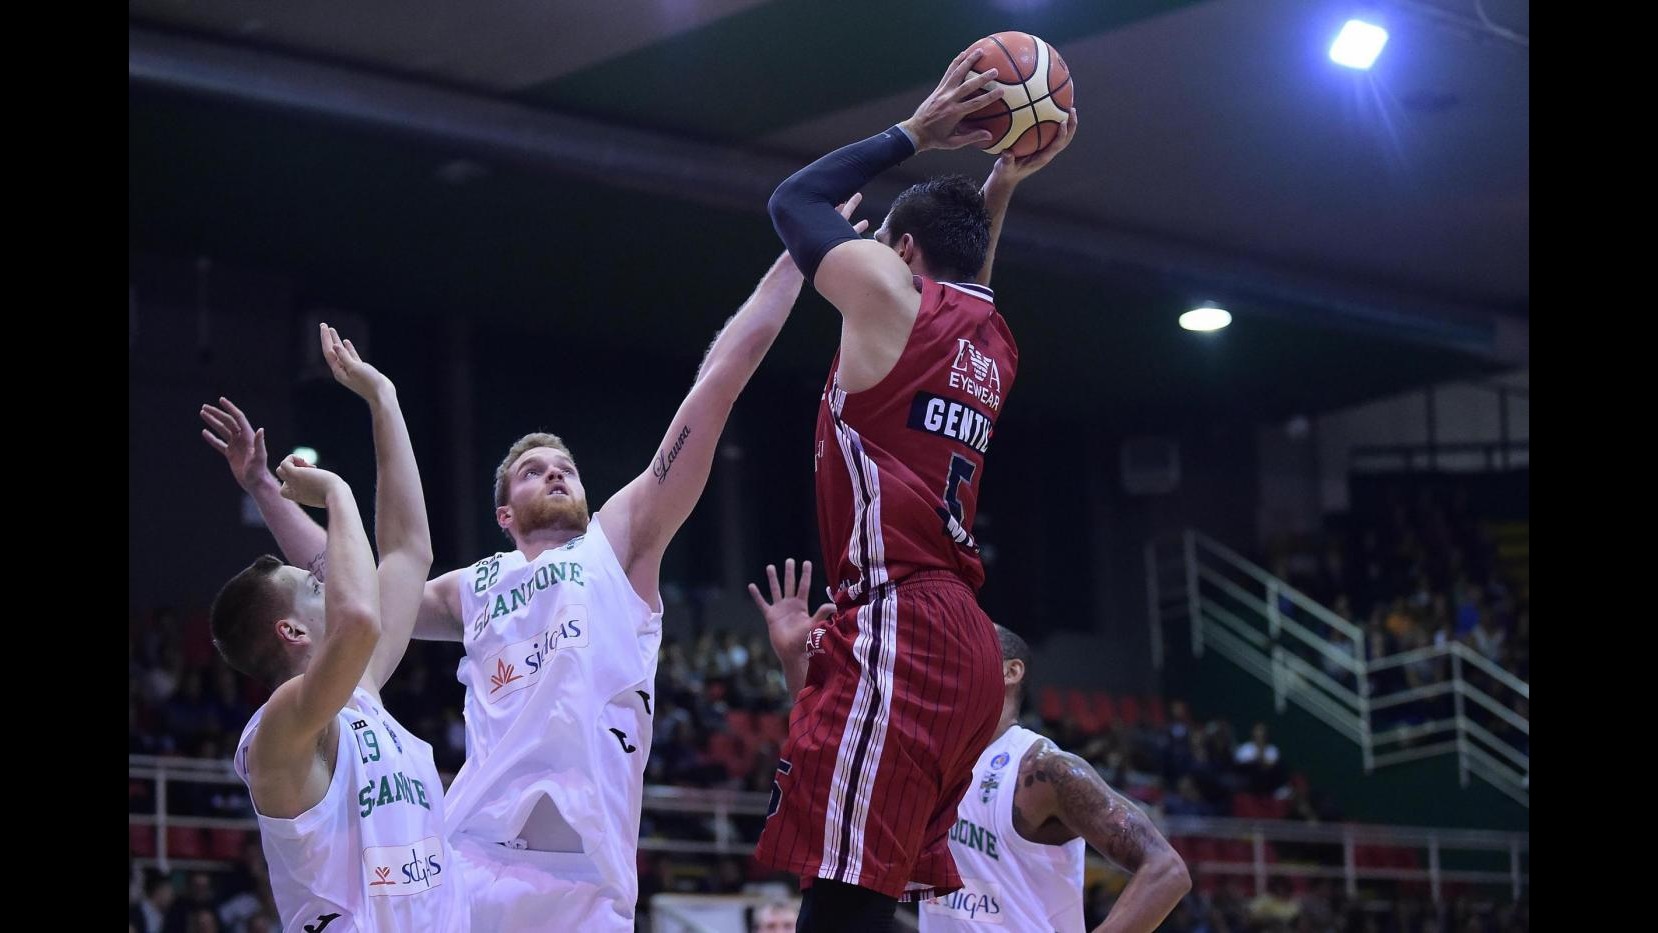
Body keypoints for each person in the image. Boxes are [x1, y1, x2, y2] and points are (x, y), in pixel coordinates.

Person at [209, 227, 860, 929]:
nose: (555, 470)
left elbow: (719, 382)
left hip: (581, 874)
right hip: (469, 864)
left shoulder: (621, 543)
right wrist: (268, 493)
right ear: (503, 511)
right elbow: (353, 585)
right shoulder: (476, 585)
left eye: (566, 466)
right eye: (532, 469)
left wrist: (800, 255)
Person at [754, 46, 1078, 928]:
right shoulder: (994, 342)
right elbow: (970, 282)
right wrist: (1001, 185)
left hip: (903, 616)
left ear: (900, 252)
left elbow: (792, 203)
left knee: (841, 893)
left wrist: (916, 130)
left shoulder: (890, 293)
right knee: (865, 889)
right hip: (961, 637)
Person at [752, 564, 1188, 932]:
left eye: (969, 647)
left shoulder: (1043, 769)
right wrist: (796, 659)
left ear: (1010, 671)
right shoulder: (923, 756)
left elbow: (1166, 871)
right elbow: (836, 746)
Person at [205, 325, 468, 930]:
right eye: (314, 587)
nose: (333, 581)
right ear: (294, 633)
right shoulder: (281, 728)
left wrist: (384, 400)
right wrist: (337, 493)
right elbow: (358, 621)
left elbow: (407, 552)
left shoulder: (362, 692)